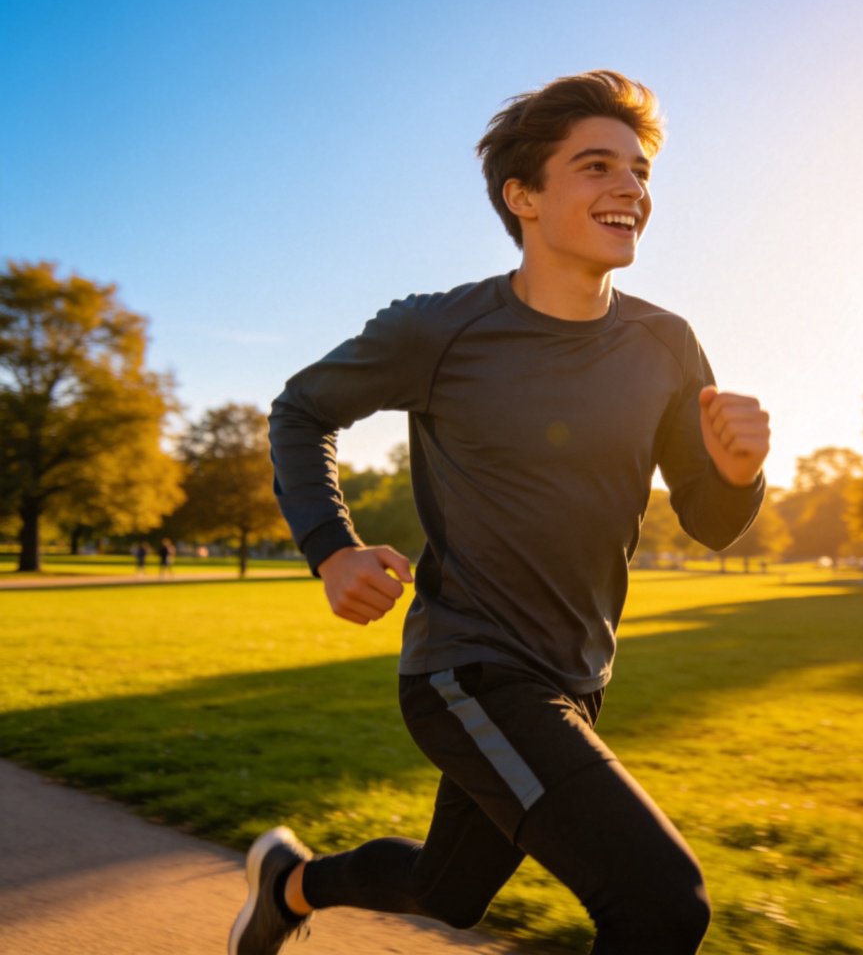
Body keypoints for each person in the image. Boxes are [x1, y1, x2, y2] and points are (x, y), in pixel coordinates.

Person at [230, 71, 770, 955]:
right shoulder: (439, 331)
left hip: (577, 678)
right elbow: (300, 409)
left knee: (450, 892)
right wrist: (333, 550)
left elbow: (711, 521)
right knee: (661, 902)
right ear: (523, 196)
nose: (630, 188)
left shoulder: (666, 344)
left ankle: (288, 883)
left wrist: (741, 470)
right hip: (467, 672)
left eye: (639, 171)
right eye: (596, 166)